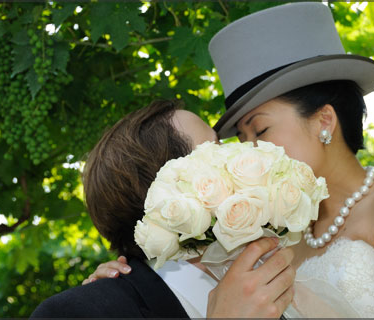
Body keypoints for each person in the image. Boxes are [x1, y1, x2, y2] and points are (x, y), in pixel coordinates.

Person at [89, 2, 374, 318]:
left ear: (324, 120)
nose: (251, 150)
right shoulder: (268, 229)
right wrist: (126, 289)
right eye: (242, 139)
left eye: (260, 131)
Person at [30, 100, 296, 318]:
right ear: (169, 196)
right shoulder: (80, 312)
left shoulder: (272, 282)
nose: (239, 156)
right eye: (216, 149)